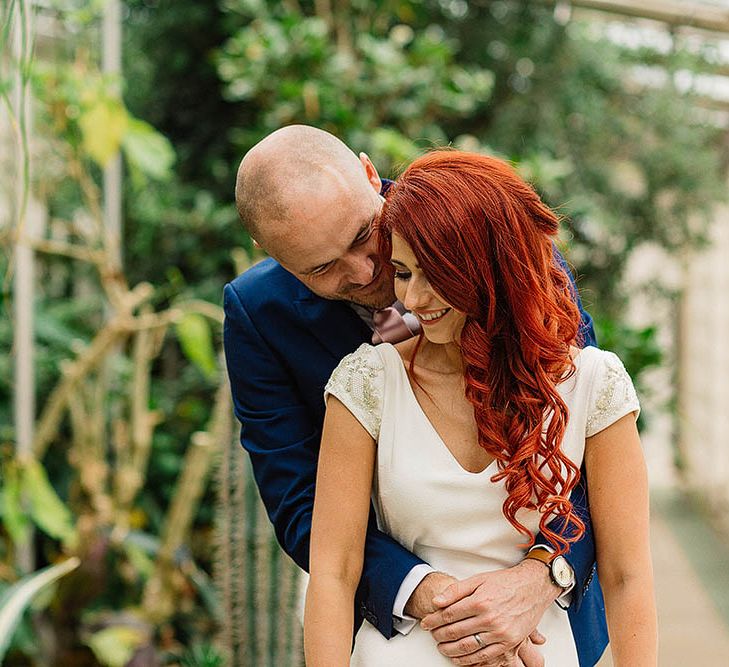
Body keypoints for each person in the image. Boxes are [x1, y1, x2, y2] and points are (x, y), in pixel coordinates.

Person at [223, 125, 607, 667]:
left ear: (368, 173)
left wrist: (543, 574)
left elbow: (588, 438)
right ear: (269, 252)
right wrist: (438, 599)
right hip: (394, 632)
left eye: (362, 235)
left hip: (549, 628)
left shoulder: (488, 228)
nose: (364, 272)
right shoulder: (257, 314)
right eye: (321, 269)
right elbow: (300, 500)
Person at [303, 150, 657, 666]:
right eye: (403, 273)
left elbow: (628, 577)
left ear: (493, 267)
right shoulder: (367, 383)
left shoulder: (594, 385)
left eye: (437, 273)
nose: (415, 299)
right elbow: (333, 573)